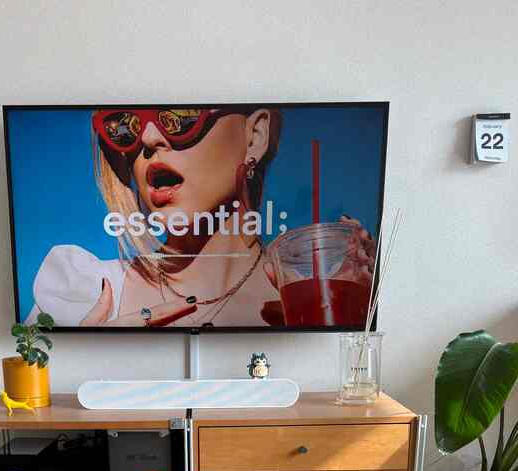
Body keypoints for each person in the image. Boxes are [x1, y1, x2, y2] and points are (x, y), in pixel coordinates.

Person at [26, 106, 375, 328]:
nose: (148, 139)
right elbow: (28, 394)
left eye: (180, 117)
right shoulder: (83, 292)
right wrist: (84, 361)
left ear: (254, 136)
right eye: (124, 126)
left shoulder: (307, 296)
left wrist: (348, 322)